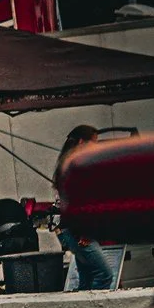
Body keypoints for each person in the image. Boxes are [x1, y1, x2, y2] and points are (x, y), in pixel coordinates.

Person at [56, 125, 117, 291]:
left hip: (73, 230)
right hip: (79, 232)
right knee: (105, 274)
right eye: (94, 142)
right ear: (82, 142)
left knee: (87, 277)